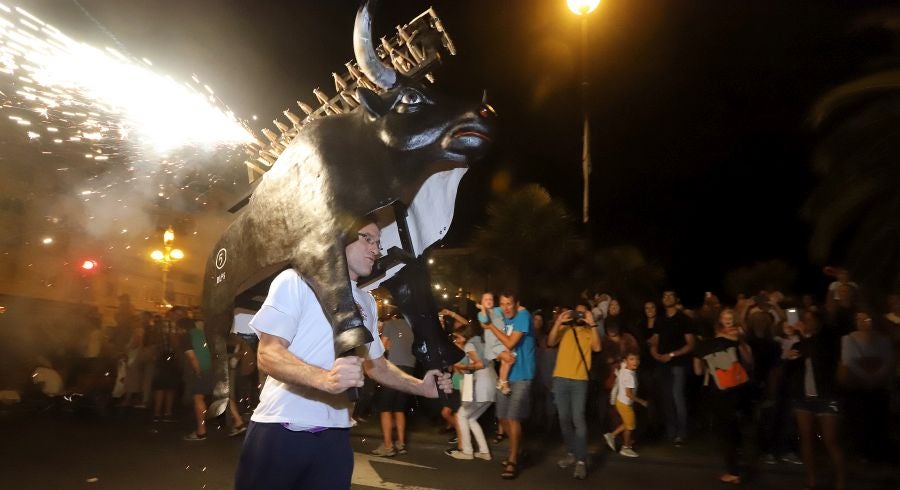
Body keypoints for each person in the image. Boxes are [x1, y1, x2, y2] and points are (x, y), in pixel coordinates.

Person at [234, 222, 451, 490]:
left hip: (335, 438)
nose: (376, 249)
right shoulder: (297, 280)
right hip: (281, 429)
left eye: (378, 242)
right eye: (367, 239)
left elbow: (378, 367)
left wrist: (421, 387)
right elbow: (268, 353)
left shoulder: (367, 301)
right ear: (340, 238)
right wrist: (324, 379)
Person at [785, 309, 846, 490]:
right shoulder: (801, 342)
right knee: (806, 438)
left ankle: (841, 481)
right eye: (804, 319)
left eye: (810, 319)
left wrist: (803, 336)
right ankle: (811, 480)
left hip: (826, 396)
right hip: (803, 396)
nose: (806, 323)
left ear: (819, 321)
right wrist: (789, 357)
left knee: (830, 439)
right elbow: (791, 367)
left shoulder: (827, 339)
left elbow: (818, 355)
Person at [692, 309, 753, 485]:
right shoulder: (735, 340)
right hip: (738, 388)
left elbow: (697, 371)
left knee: (725, 431)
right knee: (735, 426)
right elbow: (748, 362)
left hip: (718, 391)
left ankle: (733, 472)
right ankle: (739, 459)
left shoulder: (702, 346)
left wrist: (710, 364)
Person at [480, 292, 535, 480]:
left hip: (522, 375)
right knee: (502, 417)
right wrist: (485, 318)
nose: (506, 308)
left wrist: (490, 327)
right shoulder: (500, 313)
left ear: (517, 304)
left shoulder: (523, 316)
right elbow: (484, 315)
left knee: (512, 417)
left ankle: (512, 460)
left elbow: (510, 343)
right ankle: (519, 449)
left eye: (509, 304)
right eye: (503, 304)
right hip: (505, 376)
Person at [547, 303, 601, 479]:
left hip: (579, 380)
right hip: (560, 378)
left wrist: (592, 323)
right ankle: (571, 453)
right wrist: (559, 321)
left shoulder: (589, 331)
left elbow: (597, 348)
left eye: (583, 313)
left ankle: (581, 460)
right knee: (564, 419)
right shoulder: (565, 329)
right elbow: (550, 342)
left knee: (578, 418)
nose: (579, 315)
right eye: (577, 312)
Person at [839, 309, 894, 462]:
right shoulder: (849, 339)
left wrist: (874, 378)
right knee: (858, 419)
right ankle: (860, 451)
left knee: (877, 419)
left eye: (866, 319)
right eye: (859, 319)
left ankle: (876, 452)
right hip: (857, 387)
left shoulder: (883, 339)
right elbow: (848, 362)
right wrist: (868, 377)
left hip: (877, 388)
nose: (862, 322)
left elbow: (888, 361)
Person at [649, 290, 696, 446]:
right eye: (665, 296)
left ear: (676, 299)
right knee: (667, 398)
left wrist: (673, 354)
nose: (667, 298)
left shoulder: (684, 319)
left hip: (678, 364)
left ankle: (681, 433)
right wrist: (655, 352)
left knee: (677, 397)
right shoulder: (660, 320)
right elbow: (655, 339)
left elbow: (690, 344)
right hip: (663, 364)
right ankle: (671, 431)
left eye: (670, 296)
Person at [447, 324, 496, 460]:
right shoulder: (482, 343)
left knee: (461, 416)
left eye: (457, 337)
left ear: (464, 336)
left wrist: (463, 366)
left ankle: (467, 451)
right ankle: (484, 452)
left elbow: (479, 364)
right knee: (472, 419)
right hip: (492, 385)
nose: (456, 340)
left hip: (482, 385)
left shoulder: (469, 345)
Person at [371, 313, 416, 457]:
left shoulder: (390, 324)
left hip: (393, 369)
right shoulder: (414, 327)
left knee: (385, 408)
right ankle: (401, 444)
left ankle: (388, 446)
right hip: (409, 370)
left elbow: (381, 347)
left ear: (395, 317)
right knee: (399, 409)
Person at [605, 352, 649, 458]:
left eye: (637, 359)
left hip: (620, 402)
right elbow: (629, 394)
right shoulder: (629, 376)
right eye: (632, 359)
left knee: (627, 423)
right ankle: (625, 448)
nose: (635, 362)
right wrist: (642, 401)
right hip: (625, 404)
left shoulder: (624, 369)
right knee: (630, 427)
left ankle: (611, 435)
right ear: (626, 361)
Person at [180, 316, 214, 441]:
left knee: (198, 398)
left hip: (200, 370)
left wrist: (197, 371)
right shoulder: (201, 334)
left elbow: (192, 356)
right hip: (211, 368)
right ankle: (237, 422)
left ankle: (201, 431)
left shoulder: (186, 336)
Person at [477, 293, 515, 395]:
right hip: (493, 342)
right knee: (509, 359)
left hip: (503, 339)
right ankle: (504, 383)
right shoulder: (481, 313)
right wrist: (483, 308)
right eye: (486, 299)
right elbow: (485, 320)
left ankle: (501, 381)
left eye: (491, 299)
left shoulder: (498, 310)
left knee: (506, 361)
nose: (489, 301)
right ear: (481, 302)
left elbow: (508, 314)